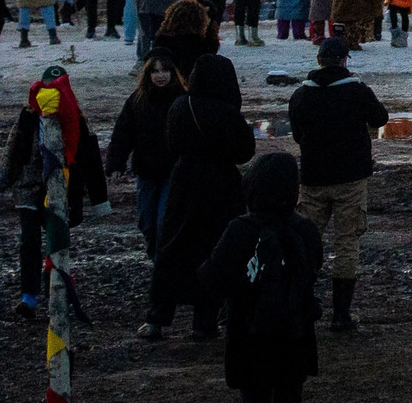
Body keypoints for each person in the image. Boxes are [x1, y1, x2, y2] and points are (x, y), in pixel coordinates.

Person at [198, 151, 325, 403]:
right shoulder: (305, 230)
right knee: (290, 393)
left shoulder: (240, 230)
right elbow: (312, 272)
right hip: (294, 335)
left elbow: (211, 277)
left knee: (253, 395)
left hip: (248, 335)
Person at [0, 67, 112, 319]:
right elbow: (13, 151)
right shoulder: (28, 117)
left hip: (61, 188)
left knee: (57, 240)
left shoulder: (76, 119)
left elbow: (90, 161)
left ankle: (58, 287)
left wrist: (100, 199)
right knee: (29, 242)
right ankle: (29, 297)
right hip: (28, 188)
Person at [146, 54, 256, 340]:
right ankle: (205, 320)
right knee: (215, 250)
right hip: (221, 185)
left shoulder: (181, 106)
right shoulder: (228, 112)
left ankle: (158, 315)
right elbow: (245, 152)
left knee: (173, 247)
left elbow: (172, 144)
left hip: (184, 182)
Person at [287, 35, 389, 332]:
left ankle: (299, 304)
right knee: (346, 243)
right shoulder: (356, 90)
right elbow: (380, 118)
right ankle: (340, 314)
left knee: (306, 242)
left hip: (313, 178)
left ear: (318, 60)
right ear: (345, 60)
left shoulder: (301, 95)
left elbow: (296, 136)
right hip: (350, 178)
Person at [108, 55, 188, 255]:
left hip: (173, 171)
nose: (160, 76)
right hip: (146, 171)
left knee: (163, 221)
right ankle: (156, 256)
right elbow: (122, 134)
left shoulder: (183, 100)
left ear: (173, 72)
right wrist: (116, 165)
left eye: (164, 70)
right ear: (148, 74)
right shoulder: (137, 100)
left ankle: (160, 264)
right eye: (155, 71)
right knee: (146, 221)